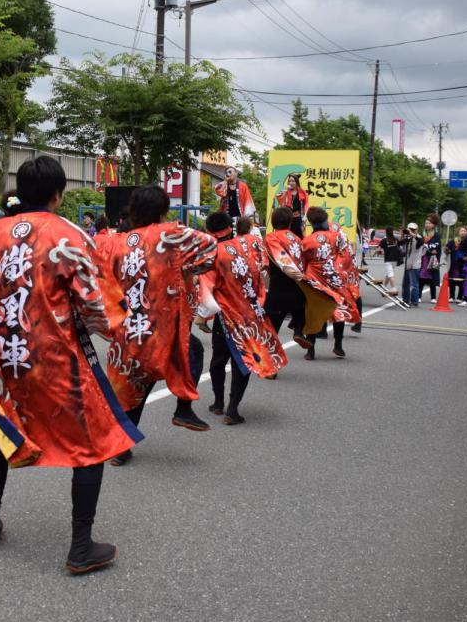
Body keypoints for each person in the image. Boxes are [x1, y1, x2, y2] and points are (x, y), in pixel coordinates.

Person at [0, 156, 142, 574]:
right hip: (55, 357)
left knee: (3, 431)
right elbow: (97, 305)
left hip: (1, 355)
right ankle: (81, 545)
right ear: (58, 193)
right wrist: (111, 331)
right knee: (90, 442)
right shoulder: (67, 234)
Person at [101, 185, 218, 464]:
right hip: (162, 328)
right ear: (164, 210)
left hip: (128, 330)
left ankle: (119, 447)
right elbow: (210, 248)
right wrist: (187, 268)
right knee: (191, 353)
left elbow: (100, 280)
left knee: (134, 385)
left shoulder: (115, 242)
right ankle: (183, 406)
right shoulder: (172, 234)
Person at [201, 210, 287, 424]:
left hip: (224, 316)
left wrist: (202, 317)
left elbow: (206, 288)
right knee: (246, 360)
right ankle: (233, 408)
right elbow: (259, 280)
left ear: (209, 232)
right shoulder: (247, 248)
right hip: (249, 314)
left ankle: (219, 403)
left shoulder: (213, 253)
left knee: (219, 359)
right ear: (230, 229)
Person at [301, 207, 360, 359]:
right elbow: (347, 255)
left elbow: (302, 262)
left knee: (314, 312)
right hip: (334, 277)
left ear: (311, 223)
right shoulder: (336, 236)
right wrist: (338, 270)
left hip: (314, 279)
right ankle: (338, 345)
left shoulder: (306, 241)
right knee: (338, 310)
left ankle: (311, 349)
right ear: (325, 220)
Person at [262, 206, 316, 350]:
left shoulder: (271, 237)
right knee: (299, 310)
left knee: (271, 328)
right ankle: (298, 331)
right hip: (298, 288)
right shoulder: (297, 239)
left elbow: (277, 260)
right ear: (290, 222)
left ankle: (271, 365)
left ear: (273, 222)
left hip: (279, 286)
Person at [418, 214, 442, 305]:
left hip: (432, 259)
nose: (427, 225)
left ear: (434, 224)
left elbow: (437, 246)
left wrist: (432, 249)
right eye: (426, 223)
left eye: (429, 223)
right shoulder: (421, 234)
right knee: (421, 278)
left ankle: (433, 297)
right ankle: (418, 296)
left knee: (432, 278)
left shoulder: (436, 235)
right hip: (423, 259)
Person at [400, 222, 425, 306]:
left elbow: (421, 242)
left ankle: (414, 301)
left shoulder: (419, 237)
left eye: (413, 230)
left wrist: (412, 234)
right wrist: (402, 234)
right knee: (405, 283)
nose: (411, 231)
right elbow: (399, 243)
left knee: (414, 284)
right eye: (409, 229)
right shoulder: (408, 238)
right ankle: (405, 300)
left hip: (415, 264)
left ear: (416, 230)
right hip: (407, 264)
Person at [445, 226, 467, 304]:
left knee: (462, 281)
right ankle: (451, 296)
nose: (462, 232)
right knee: (452, 281)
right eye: (461, 231)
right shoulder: (453, 241)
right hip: (453, 264)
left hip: (463, 264)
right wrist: (446, 250)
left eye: (464, 231)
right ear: (458, 232)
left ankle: (459, 297)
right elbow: (446, 248)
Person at [380, 227, 402, 293]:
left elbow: (379, 249)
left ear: (386, 232)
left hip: (388, 259)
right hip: (395, 259)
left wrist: (375, 253)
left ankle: (393, 288)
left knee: (390, 274)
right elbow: (400, 244)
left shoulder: (384, 240)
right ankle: (383, 288)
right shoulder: (395, 239)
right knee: (388, 274)